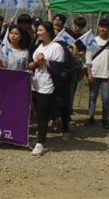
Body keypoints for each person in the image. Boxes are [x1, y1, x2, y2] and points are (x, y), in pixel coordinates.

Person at [28, 22, 65, 156]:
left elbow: (59, 68)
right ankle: (39, 138)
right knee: (37, 113)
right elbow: (31, 63)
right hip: (36, 84)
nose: (38, 33)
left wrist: (45, 62)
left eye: (40, 30)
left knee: (43, 114)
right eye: (37, 31)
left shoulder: (56, 47)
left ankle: (40, 142)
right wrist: (34, 65)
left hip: (48, 85)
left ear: (48, 31)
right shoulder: (39, 47)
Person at [85, 18, 109, 129]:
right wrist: (89, 73)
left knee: (105, 98)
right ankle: (91, 118)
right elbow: (88, 59)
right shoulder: (92, 41)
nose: (102, 29)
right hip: (94, 74)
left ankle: (105, 120)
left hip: (106, 75)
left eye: (105, 27)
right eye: (101, 26)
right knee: (92, 96)